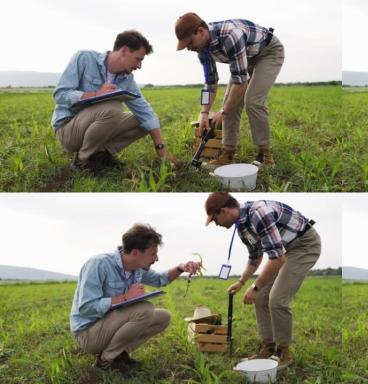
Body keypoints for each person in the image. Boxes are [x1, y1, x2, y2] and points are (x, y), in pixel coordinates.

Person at [204, 192, 320, 369]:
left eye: (215, 219)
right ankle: (268, 346)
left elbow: (277, 259)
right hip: (285, 249)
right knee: (261, 298)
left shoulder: (259, 213)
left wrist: (256, 287)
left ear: (224, 211)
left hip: (304, 245)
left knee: (277, 300)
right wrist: (242, 282)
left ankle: (284, 352)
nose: (216, 224)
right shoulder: (242, 226)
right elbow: (255, 257)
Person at [69, 224, 202, 372]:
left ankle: (120, 355)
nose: (156, 258)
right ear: (135, 253)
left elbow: (160, 279)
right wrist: (125, 297)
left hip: (110, 325)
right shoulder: (98, 265)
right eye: (153, 254)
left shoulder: (137, 268)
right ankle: (105, 361)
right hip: (88, 334)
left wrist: (181, 268)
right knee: (145, 309)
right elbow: (86, 307)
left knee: (163, 317)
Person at [52, 30, 181, 176]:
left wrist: (161, 149)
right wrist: (95, 94)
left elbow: (146, 113)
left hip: (95, 125)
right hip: (68, 129)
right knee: (114, 108)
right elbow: (60, 95)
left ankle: (101, 154)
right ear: (124, 51)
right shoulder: (84, 58)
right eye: (138, 59)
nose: (139, 66)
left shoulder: (127, 79)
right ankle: (83, 160)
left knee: (144, 121)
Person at [175, 13, 285, 167]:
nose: (189, 48)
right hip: (245, 58)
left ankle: (266, 155)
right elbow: (210, 83)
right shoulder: (202, 50)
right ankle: (227, 154)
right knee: (229, 104)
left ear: (200, 31)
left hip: (268, 53)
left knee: (252, 101)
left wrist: (224, 112)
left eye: (190, 42)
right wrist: (204, 112)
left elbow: (241, 83)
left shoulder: (230, 36)